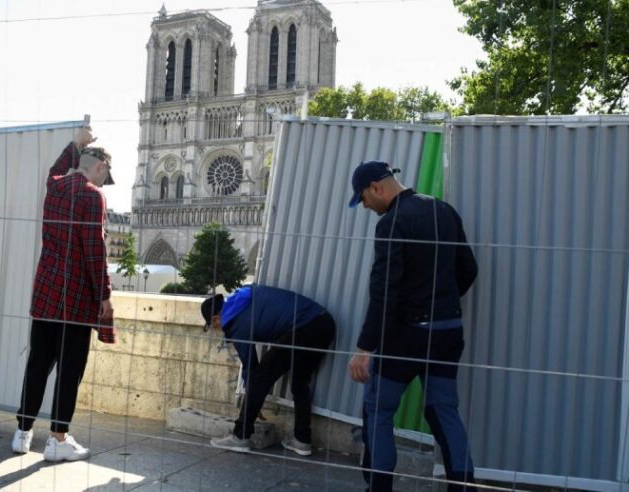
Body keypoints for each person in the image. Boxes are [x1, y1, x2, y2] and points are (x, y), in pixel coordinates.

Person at [346, 161, 478, 492]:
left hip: (406, 334)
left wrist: (365, 348)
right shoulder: (443, 210)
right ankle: (464, 488)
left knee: (378, 409)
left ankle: (379, 488)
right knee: (443, 409)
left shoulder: (392, 222)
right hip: (448, 330)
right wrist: (441, 303)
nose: (364, 205)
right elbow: (469, 269)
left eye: (362, 198)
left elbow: (383, 290)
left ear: (376, 187)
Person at [11, 127, 116, 462]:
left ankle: (22, 433)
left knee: (38, 362)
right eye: (105, 177)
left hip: (45, 292)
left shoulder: (55, 187)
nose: (103, 184)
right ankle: (58, 438)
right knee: (70, 368)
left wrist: (76, 145)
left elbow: (55, 170)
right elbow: (94, 251)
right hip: (75, 298)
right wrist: (105, 295)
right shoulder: (93, 196)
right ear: (100, 169)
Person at [202, 284, 335, 456]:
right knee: (300, 382)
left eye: (213, 326)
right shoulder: (243, 297)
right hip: (324, 324)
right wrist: (254, 400)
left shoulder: (236, 323)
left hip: (302, 327)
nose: (216, 329)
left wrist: (253, 401)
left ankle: (240, 437)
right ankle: (302, 440)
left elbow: (251, 367)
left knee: (259, 378)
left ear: (216, 319)